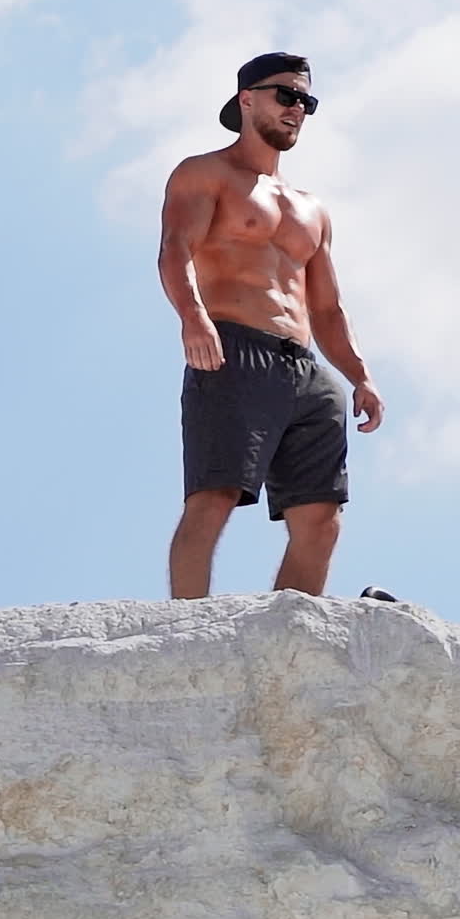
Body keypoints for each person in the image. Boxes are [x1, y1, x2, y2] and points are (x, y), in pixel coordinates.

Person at [158, 52, 385, 599]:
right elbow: (175, 250)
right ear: (247, 99)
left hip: (305, 368)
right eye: (286, 96)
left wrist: (360, 376)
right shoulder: (204, 173)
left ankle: (286, 627)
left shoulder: (312, 209)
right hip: (233, 349)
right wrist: (194, 318)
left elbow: (327, 308)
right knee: (214, 495)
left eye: (306, 101)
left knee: (322, 516)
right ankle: (189, 627)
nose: (296, 109)